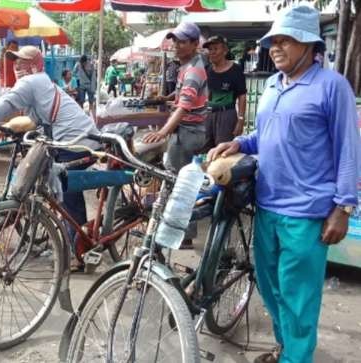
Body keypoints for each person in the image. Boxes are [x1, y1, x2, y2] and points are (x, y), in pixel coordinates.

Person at [207, 6, 359, 363]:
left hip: (307, 212)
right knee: (272, 288)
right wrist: (241, 143)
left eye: (285, 41)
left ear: (309, 44)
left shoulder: (332, 87)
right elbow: (268, 133)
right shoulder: (274, 85)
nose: (275, 48)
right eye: (273, 41)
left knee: (299, 296)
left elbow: (348, 148)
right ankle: (287, 348)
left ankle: (296, 357)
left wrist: (343, 207)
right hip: (268, 206)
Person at [0, 46, 101, 270]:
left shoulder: (33, 81)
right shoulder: (42, 86)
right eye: (15, 62)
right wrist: (5, 126)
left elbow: (8, 101)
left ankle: (78, 252)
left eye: (22, 62)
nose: (17, 66)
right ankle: (69, 241)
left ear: (36, 65)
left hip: (77, 144)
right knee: (58, 192)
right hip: (72, 142)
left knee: (66, 194)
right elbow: (33, 120)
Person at [143, 22, 209, 250]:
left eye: (182, 42)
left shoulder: (193, 71)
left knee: (180, 186)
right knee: (179, 182)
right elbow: (182, 96)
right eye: (175, 41)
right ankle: (177, 232)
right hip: (188, 131)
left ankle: (183, 236)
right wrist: (166, 98)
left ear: (194, 44)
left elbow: (183, 108)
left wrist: (163, 132)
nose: (177, 46)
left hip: (188, 133)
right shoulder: (188, 66)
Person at [202, 35, 247, 150]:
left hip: (227, 115)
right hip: (208, 115)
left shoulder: (236, 70)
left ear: (225, 50)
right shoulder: (207, 70)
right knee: (204, 149)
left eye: (215, 49)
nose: (212, 52)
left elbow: (242, 95)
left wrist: (240, 120)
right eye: (210, 49)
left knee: (223, 150)